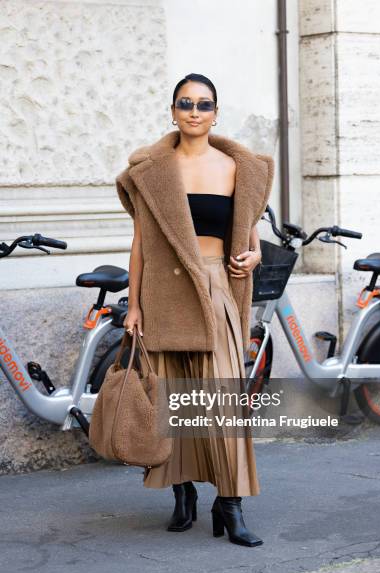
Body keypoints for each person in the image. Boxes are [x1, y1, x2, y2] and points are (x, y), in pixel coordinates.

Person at [118, 73, 274, 547]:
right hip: (164, 295)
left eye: (204, 104)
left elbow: (249, 234)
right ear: (172, 111)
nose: (194, 111)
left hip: (216, 288)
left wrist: (256, 254)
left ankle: (230, 504)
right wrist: (133, 305)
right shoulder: (154, 171)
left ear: (215, 113)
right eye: (185, 103)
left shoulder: (238, 168)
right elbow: (141, 243)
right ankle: (182, 493)